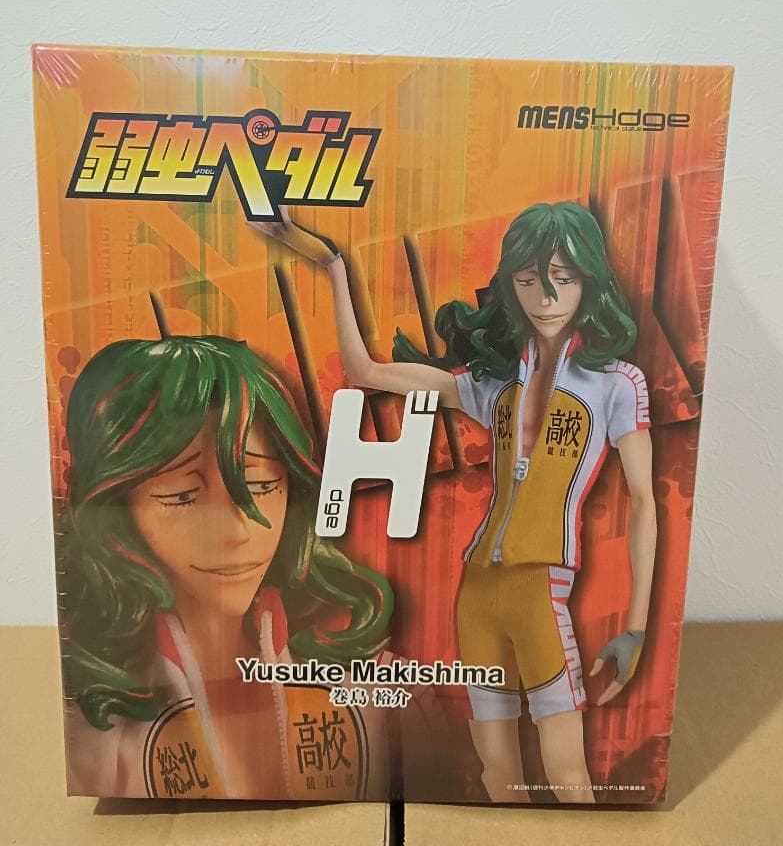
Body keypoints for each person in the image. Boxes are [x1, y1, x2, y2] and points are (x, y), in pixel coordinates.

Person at [254, 201, 657, 804]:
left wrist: (637, 628)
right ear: (510, 285)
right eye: (528, 281)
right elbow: (365, 371)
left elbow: (645, 502)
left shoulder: (616, 383)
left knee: (567, 775)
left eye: (563, 278)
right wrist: (330, 261)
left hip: (543, 591)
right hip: (476, 595)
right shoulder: (491, 382)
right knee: (497, 776)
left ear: (589, 280)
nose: (546, 297)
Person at [60, 331, 395, 800]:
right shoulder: (89, 730)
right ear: (115, 509)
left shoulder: (379, 690)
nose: (238, 532)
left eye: (261, 486)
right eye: (182, 495)